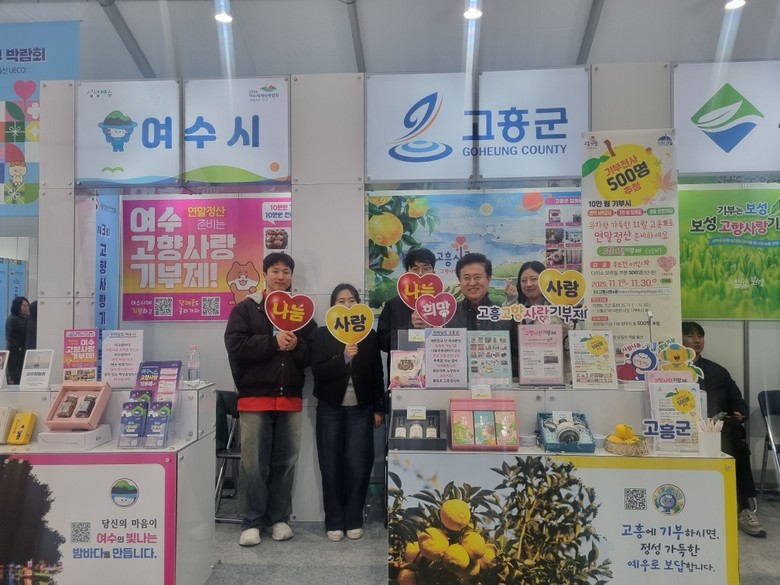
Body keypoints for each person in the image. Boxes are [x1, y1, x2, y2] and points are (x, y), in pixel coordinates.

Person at [224, 252, 317, 547]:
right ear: (265, 274)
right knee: (253, 464)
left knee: (285, 462)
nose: (281, 276)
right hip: (255, 398)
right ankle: (251, 521)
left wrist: (297, 344)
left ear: (291, 277)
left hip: (289, 398)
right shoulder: (247, 308)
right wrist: (272, 341)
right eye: (275, 270)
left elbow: (312, 353)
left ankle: (279, 519)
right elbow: (235, 346)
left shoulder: (301, 311)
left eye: (286, 271)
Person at [312, 284, 385, 542]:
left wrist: (378, 407)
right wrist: (343, 357)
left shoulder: (369, 334)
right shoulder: (322, 334)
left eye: (352, 300)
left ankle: (354, 519)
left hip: (361, 409)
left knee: (358, 464)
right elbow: (318, 372)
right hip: (329, 409)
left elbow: (377, 372)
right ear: (333, 306)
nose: (347, 305)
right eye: (341, 301)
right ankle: (334, 521)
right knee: (330, 465)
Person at [682, 321, 766, 538]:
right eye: (690, 336)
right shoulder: (670, 369)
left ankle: (742, 508)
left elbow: (737, 402)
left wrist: (740, 413)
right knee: (735, 443)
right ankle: (727, 504)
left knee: (732, 434)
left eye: (700, 336)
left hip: (718, 429)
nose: (697, 341)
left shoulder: (717, 371)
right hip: (682, 429)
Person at [377, 247, 437, 384]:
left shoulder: (443, 305)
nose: (420, 273)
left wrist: (436, 328)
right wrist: (410, 327)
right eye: (415, 269)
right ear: (406, 273)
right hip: (404, 379)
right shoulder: (393, 305)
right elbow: (383, 343)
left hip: (437, 375)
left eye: (426, 268)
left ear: (434, 272)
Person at [447, 253, 510, 333]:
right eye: (467, 278)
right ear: (459, 280)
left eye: (477, 277)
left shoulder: (505, 315)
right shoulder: (448, 315)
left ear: (488, 278)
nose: (472, 283)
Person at [5, 296, 29, 385]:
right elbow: (26, 330)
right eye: (24, 306)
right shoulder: (14, 320)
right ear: (17, 306)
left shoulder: (20, 318)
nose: (27, 308)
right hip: (15, 355)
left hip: (18, 353)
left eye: (28, 306)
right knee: (17, 379)